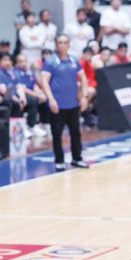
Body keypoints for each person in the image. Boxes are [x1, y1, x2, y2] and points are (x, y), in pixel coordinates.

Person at [41, 34, 89, 172]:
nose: (63, 45)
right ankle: (59, 161)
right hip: (58, 106)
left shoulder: (74, 60)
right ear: (56, 45)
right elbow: (45, 82)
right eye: (60, 42)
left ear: (69, 45)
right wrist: (51, 99)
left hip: (73, 104)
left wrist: (84, 96)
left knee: (76, 133)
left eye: (65, 42)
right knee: (57, 134)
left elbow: (83, 78)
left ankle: (77, 158)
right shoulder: (50, 62)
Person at [0, 52, 43, 138]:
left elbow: (19, 86)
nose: (7, 62)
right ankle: (19, 128)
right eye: (4, 60)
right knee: (15, 103)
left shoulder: (9, 73)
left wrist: (22, 97)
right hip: (3, 100)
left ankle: (32, 125)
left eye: (9, 60)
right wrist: (18, 100)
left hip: (13, 97)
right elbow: (5, 92)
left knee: (32, 100)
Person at [14, 52, 48, 134]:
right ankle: (31, 125)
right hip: (20, 95)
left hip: (30, 94)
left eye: (25, 61)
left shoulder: (29, 73)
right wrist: (37, 95)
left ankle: (45, 123)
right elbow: (23, 88)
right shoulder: (15, 73)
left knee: (46, 98)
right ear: (16, 63)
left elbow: (34, 85)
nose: (24, 63)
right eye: (21, 61)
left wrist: (41, 93)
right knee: (33, 100)